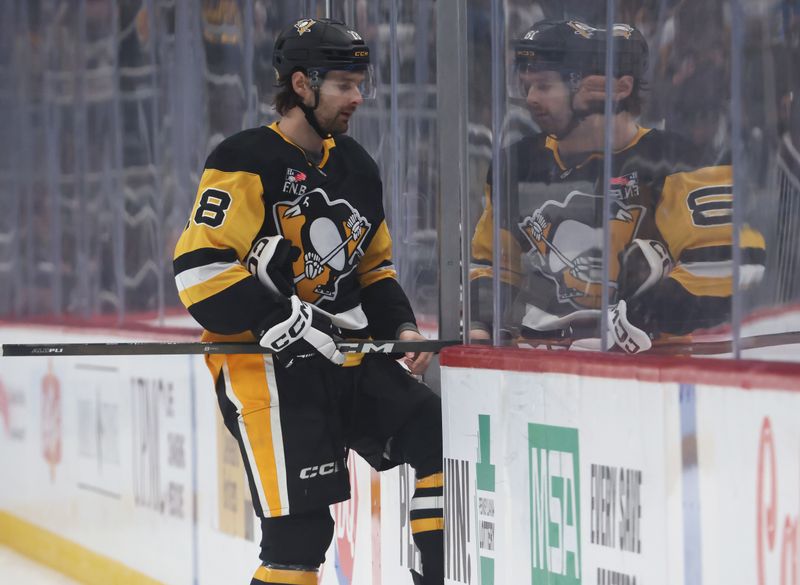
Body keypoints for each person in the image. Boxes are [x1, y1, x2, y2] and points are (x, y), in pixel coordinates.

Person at [173, 18, 443, 585]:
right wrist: (278, 321)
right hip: (266, 369)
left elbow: (373, 267)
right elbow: (200, 268)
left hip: (342, 357)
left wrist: (404, 328)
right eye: (344, 84)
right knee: (297, 540)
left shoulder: (356, 165)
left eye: (359, 82)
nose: (357, 97)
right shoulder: (244, 158)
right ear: (302, 85)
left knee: (431, 429)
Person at [470, 19, 767, 352]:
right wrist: (482, 328)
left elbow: (735, 262)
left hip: (641, 379)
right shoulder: (518, 163)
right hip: (536, 372)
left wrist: (644, 317)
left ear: (619, 89)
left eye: (544, 86)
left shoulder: (678, 162)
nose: (532, 98)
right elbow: (493, 264)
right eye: (526, 86)